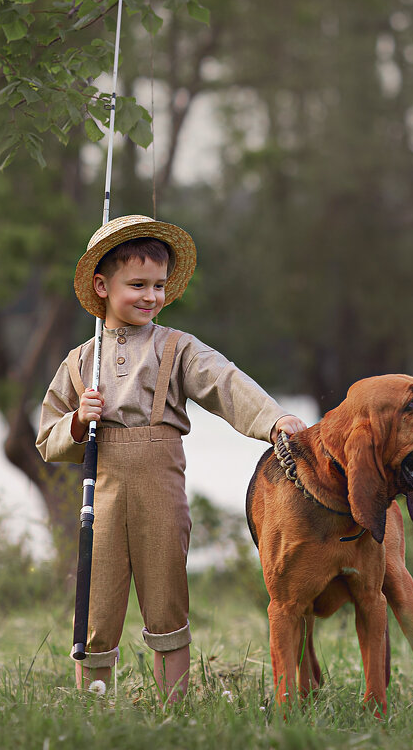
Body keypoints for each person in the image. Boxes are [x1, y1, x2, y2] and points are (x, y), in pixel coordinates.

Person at [36, 214, 306, 702]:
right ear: (102, 285)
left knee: (166, 596)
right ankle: (93, 706)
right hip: (103, 486)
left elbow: (226, 383)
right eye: (136, 284)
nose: (150, 296)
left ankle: (173, 706)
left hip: (161, 484)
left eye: (158, 286)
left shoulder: (177, 348)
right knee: (96, 602)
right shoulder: (79, 361)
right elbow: (47, 438)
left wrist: (275, 420)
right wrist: (79, 420)